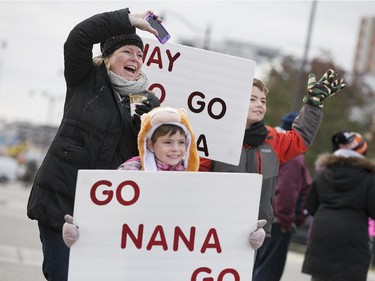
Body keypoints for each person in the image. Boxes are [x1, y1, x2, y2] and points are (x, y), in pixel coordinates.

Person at [26, 8, 161, 281]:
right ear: (109, 57)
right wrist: (124, 20)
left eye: (139, 54)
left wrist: (144, 121)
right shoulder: (85, 79)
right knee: (61, 274)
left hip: (106, 214)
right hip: (61, 202)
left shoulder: (148, 101)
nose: (135, 58)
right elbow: (78, 38)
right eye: (127, 51)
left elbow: (154, 155)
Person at [198, 70, 346, 278]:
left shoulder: (272, 139)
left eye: (263, 100)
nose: (260, 104)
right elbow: (193, 176)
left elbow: (300, 139)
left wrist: (313, 105)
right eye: (252, 99)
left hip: (254, 233)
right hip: (213, 228)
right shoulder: (214, 138)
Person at [62, 107, 266, 250]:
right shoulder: (130, 173)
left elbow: (209, 223)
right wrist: (81, 231)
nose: (176, 149)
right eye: (168, 142)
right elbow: (108, 217)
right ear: (150, 144)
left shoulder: (194, 180)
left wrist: (243, 232)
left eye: (181, 142)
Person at [302, 131, 375, 281]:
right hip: (353, 237)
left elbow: (310, 206)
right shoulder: (369, 177)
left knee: (321, 276)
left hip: (323, 233)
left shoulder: (323, 173)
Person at [252, 111, 312, 281]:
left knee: (254, 269)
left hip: (259, 216)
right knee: (268, 272)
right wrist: (287, 220)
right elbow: (286, 191)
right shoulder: (292, 155)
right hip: (277, 223)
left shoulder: (266, 144)